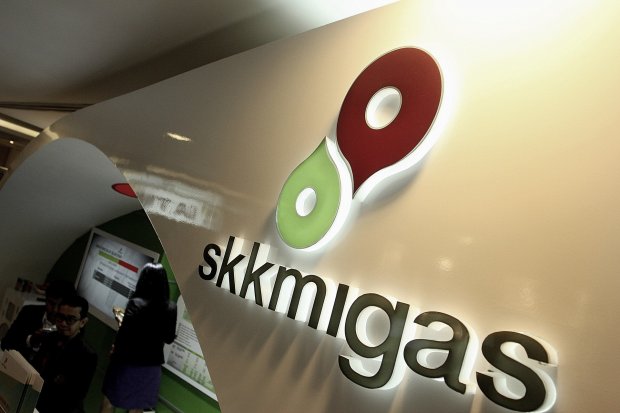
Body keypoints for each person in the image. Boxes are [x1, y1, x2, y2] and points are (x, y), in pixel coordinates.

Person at [100, 263, 177, 413]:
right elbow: (168, 338)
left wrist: (114, 351)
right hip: (151, 367)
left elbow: (124, 334)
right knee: (138, 406)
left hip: (127, 362)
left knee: (109, 400)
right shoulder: (171, 307)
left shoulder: (136, 303)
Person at [31, 294, 98, 413]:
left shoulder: (87, 355)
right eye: (60, 317)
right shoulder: (50, 337)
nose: (63, 323)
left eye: (70, 320)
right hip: (36, 400)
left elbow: (74, 397)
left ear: (82, 322)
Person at [1, 279, 76, 361]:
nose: (55, 310)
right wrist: (30, 340)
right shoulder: (29, 312)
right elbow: (6, 344)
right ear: (46, 299)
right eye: (52, 303)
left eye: (60, 306)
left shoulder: (69, 328)